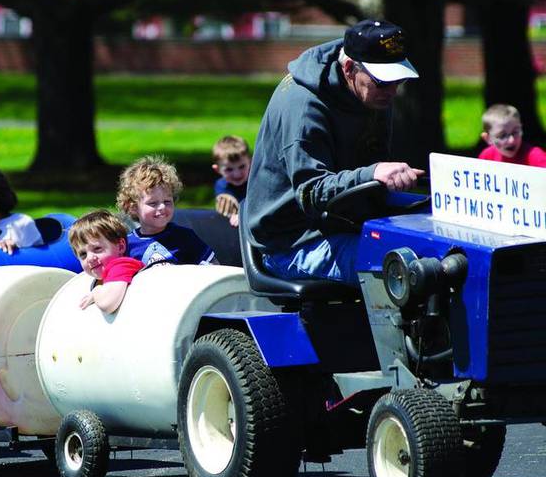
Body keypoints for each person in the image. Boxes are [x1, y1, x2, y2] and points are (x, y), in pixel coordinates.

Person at [244, 19, 424, 286]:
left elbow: (371, 174)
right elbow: (311, 193)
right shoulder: (303, 106)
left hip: (346, 220)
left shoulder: (371, 94)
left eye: (398, 80)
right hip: (293, 241)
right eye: (383, 82)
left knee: (442, 247)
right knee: (403, 271)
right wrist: (372, 173)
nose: (393, 91)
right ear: (350, 68)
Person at [117, 155, 216, 266]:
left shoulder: (184, 237)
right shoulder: (128, 245)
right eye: (153, 203)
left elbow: (213, 267)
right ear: (133, 207)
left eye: (167, 201)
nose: (162, 207)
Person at [68, 209, 145, 314]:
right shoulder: (100, 276)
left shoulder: (121, 266)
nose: (90, 258)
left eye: (97, 249)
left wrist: (96, 291)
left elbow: (107, 304)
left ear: (121, 246)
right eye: (83, 254)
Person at [478, 104, 546, 167]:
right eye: (502, 136)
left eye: (515, 132)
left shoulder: (536, 157)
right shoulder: (486, 157)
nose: (511, 140)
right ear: (488, 139)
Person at [211, 135, 251, 227]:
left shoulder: (256, 184)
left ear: (250, 162)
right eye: (229, 169)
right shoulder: (221, 186)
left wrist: (242, 216)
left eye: (242, 167)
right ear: (217, 170)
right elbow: (225, 209)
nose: (237, 174)